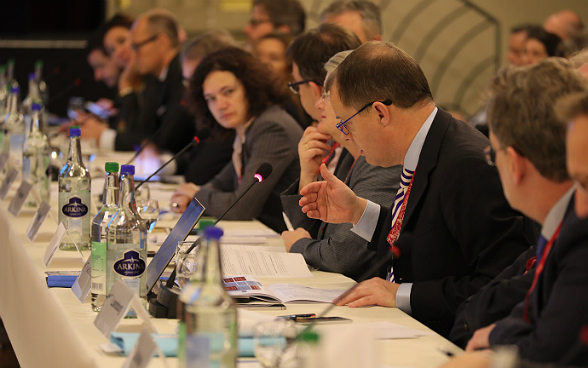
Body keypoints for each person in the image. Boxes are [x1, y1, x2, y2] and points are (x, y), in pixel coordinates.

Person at [298, 41, 537, 337]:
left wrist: (400, 294)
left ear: (380, 113)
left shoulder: (466, 165)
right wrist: (359, 212)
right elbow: (428, 240)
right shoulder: (426, 145)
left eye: (347, 124)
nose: (347, 136)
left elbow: (495, 286)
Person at [449, 58, 585, 348]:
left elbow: (552, 349)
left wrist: (497, 341)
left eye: (493, 154)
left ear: (514, 163)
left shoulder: (577, 233)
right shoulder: (549, 225)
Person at [281, 50, 400, 281]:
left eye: (327, 95)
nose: (319, 104)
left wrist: (299, 246)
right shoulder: (350, 154)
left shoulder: (380, 160)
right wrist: (308, 175)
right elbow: (312, 232)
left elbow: (342, 255)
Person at [170, 47, 303, 232]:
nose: (220, 105)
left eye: (228, 92)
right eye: (211, 98)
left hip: (281, 241)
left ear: (250, 87)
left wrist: (196, 196)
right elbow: (221, 182)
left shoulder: (272, 128)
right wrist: (191, 195)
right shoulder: (249, 126)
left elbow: (241, 207)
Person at [81, 10, 195, 154]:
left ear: (161, 42)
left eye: (136, 46)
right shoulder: (158, 79)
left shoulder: (182, 75)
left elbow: (162, 143)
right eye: (111, 50)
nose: (131, 53)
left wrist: (104, 136)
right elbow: (144, 131)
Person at [173, 30, 237, 186]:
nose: (190, 91)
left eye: (196, 81)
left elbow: (199, 174)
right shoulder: (207, 114)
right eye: (188, 82)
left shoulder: (231, 116)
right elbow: (195, 158)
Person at [252, 32, 312, 128]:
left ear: (290, 67)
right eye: (258, 55)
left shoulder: (292, 106)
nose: (263, 62)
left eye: (274, 58)